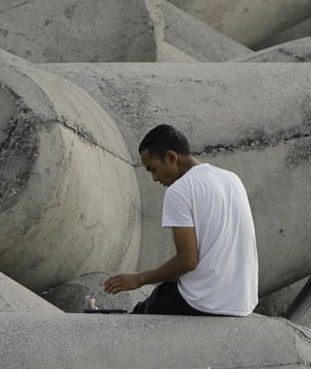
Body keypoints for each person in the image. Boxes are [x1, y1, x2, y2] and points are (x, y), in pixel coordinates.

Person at [92, 124, 260, 316]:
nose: (155, 178)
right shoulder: (232, 179)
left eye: (153, 169)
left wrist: (139, 279)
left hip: (205, 302)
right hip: (243, 301)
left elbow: (187, 261)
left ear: (171, 157)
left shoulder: (179, 190)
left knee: (145, 309)